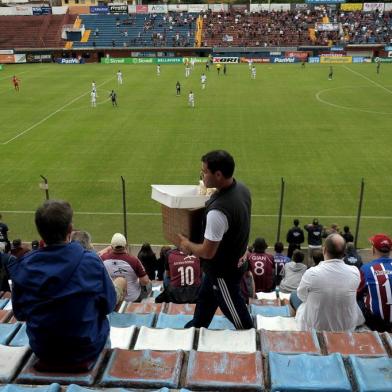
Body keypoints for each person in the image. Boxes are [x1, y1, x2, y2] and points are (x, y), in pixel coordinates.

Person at [8, 200, 118, 371]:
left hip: (44, 351)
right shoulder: (90, 262)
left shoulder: (24, 266)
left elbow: (20, 313)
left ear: (40, 232)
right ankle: (104, 365)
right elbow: (109, 305)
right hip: (86, 350)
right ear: (70, 230)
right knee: (114, 292)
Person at [178, 150, 253, 330]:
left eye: (204, 171)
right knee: (202, 312)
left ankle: (254, 347)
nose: (202, 175)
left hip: (223, 274)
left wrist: (187, 245)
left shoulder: (218, 212)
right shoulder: (242, 189)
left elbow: (207, 252)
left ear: (218, 175)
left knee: (244, 324)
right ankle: (193, 331)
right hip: (225, 266)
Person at [292, 234, 364, 331]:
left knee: (294, 295)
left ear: (324, 250)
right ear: (344, 252)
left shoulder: (312, 273)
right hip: (347, 327)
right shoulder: (355, 271)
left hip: (317, 329)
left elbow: (302, 296)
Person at [100, 233, 151, 302]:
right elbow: (145, 281)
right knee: (149, 282)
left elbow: (95, 255)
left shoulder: (102, 259)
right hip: (132, 297)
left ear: (111, 246)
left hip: (112, 297)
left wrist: (107, 248)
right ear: (125, 246)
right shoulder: (133, 260)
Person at [357, 234, 392, 332]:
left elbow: (356, 294)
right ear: (390, 250)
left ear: (373, 249)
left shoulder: (367, 269)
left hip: (377, 324)